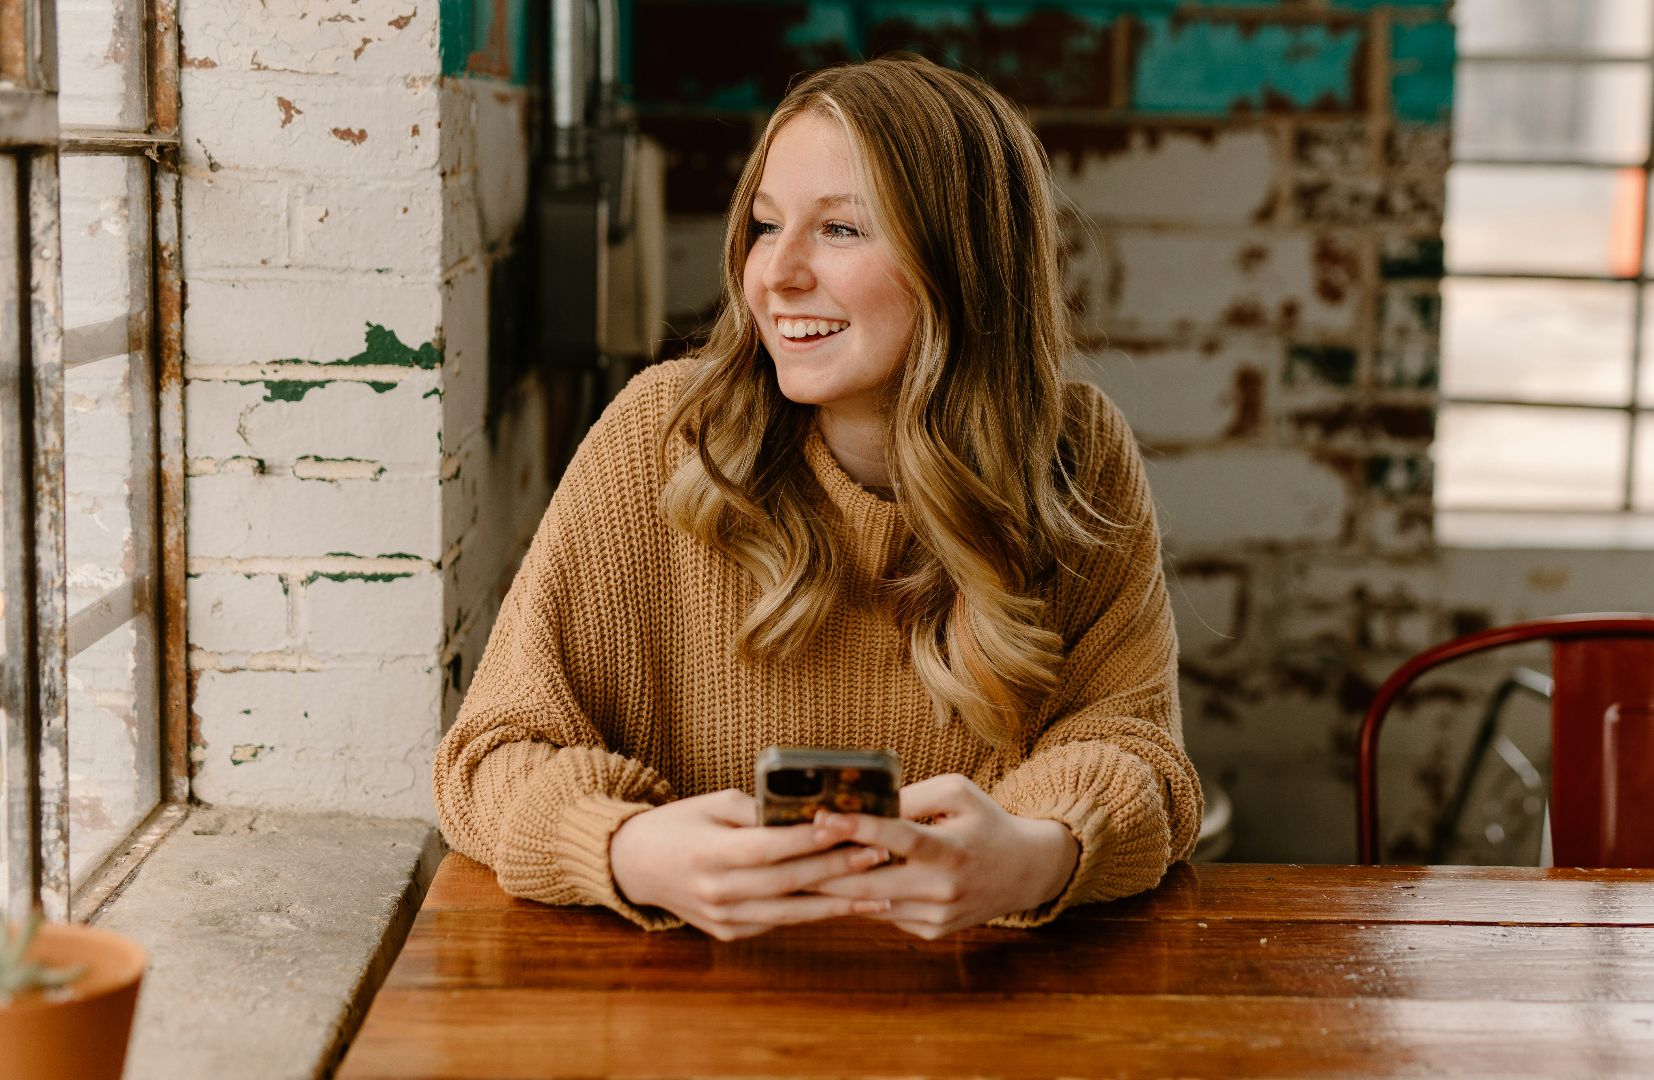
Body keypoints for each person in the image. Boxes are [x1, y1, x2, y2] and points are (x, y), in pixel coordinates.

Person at [433, 53, 1200, 941]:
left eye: (840, 230)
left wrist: (1037, 855)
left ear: (963, 261)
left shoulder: (1077, 451)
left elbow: (1140, 756)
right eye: (765, 226)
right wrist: (630, 849)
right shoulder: (661, 434)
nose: (777, 274)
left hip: (977, 1013)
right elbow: (489, 757)